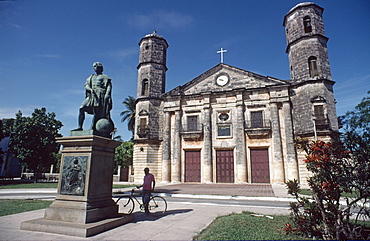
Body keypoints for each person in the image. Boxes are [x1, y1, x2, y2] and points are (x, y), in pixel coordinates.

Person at [74, 62, 112, 131]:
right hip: (92, 95)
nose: (95, 68)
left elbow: (109, 86)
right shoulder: (90, 77)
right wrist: (90, 89)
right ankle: (80, 127)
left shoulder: (104, 77)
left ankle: (92, 128)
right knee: (81, 108)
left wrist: (107, 94)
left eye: (96, 66)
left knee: (97, 111)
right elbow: (86, 85)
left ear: (100, 67)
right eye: (94, 67)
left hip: (100, 95)